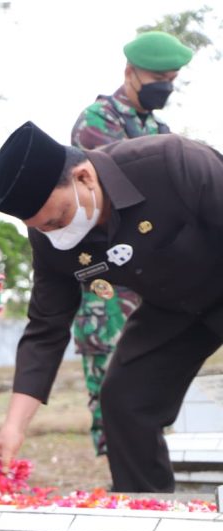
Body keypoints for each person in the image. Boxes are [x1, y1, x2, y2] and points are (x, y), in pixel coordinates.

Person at [0, 120, 223, 493]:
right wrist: (13, 427)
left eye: (58, 220)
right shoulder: (49, 236)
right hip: (172, 308)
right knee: (124, 398)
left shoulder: (170, 162)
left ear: (83, 177)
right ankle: (149, 514)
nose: (55, 234)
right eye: (42, 228)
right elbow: (46, 328)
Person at [68, 31, 193, 458]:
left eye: (171, 78)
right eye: (157, 77)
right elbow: (117, 199)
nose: (165, 86)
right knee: (110, 386)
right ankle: (124, 482)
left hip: (153, 280)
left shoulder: (159, 129)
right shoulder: (96, 123)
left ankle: (152, 475)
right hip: (109, 280)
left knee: (154, 386)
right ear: (130, 73)